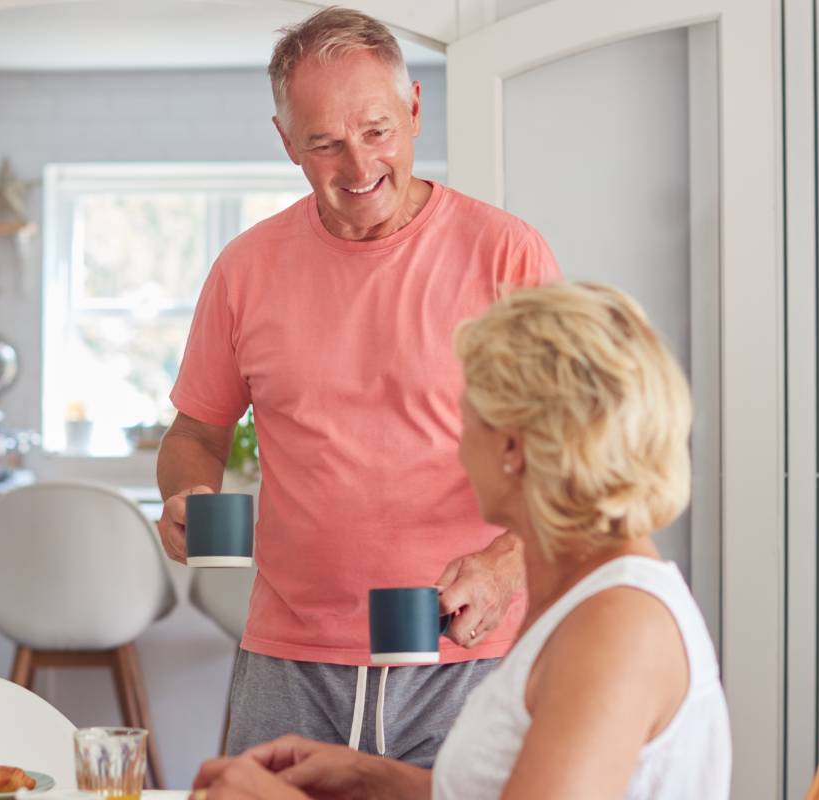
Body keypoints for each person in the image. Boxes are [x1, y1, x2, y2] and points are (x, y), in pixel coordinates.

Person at [156, 7, 561, 765]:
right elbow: (195, 435)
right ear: (286, 144)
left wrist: (509, 563)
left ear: (413, 107)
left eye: (376, 131)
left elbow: (573, 455)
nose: (358, 166)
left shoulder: (505, 254)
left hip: (465, 656)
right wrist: (184, 494)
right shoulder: (246, 270)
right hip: (289, 659)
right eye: (324, 143)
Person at [190, 282, 731, 800]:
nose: (453, 445)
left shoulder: (617, 628)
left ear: (513, 449)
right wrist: (367, 778)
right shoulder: (587, 598)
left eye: (464, 417)